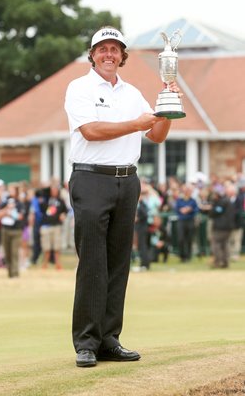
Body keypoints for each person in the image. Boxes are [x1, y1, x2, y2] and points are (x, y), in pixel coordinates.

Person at [64, 26, 182, 368]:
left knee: (118, 261)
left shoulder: (131, 93)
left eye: (115, 49)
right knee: (93, 263)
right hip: (90, 179)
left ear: (123, 56)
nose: (109, 54)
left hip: (127, 180)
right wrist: (136, 124)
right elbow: (91, 131)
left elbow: (156, 135)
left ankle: (109, 339)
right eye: (103, 49)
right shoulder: (79, 87)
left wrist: (167, 107)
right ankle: (86, 342)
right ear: (92, 54)